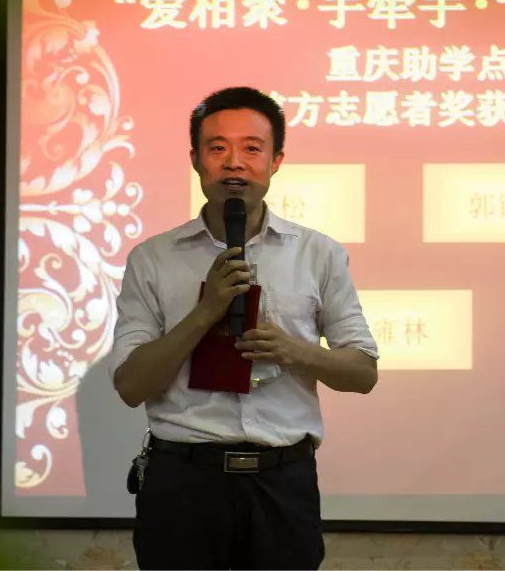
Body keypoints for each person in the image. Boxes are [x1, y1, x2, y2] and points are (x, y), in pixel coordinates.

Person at [108, 86, 379, 569]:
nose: (234, 162)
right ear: (195, 160)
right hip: (182, 483)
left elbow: (362, 373)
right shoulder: (152, 259)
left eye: (252, 148)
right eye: (217, 148)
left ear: (276, 161)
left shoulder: (318, 254)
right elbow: (130, 386)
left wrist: (296, 350)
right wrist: (206, 311)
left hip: (281, 483)